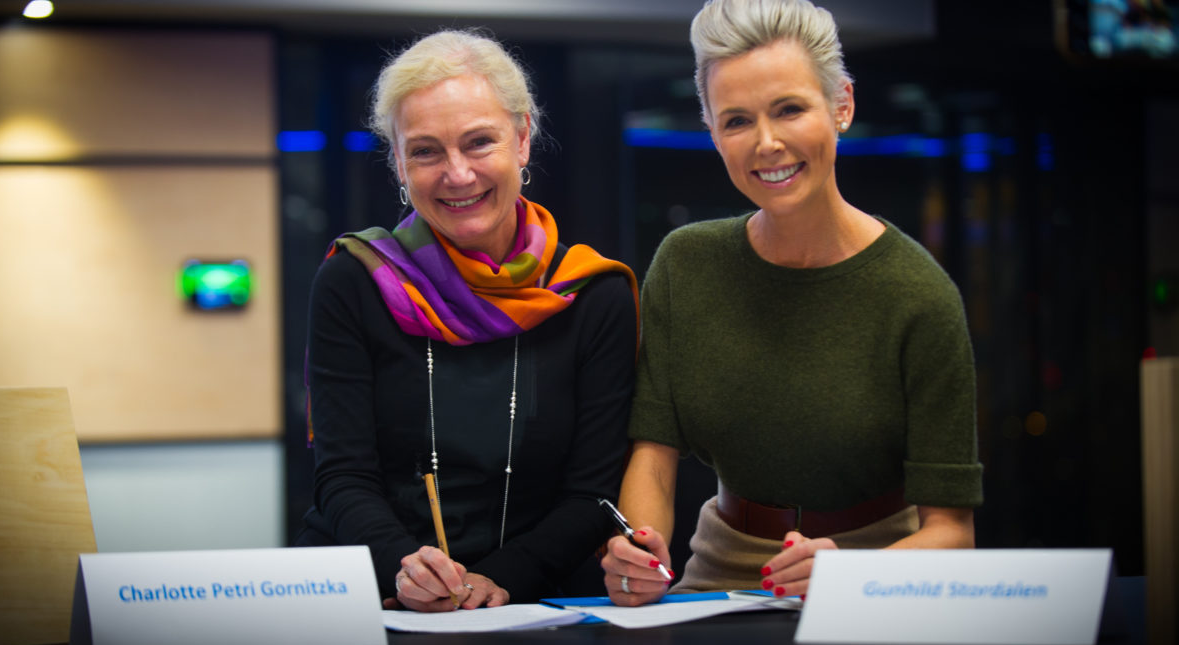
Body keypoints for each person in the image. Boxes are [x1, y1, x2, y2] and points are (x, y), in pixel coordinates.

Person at [601, 0, 983, 606]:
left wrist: (855, 575)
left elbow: (952, 534)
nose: (767, 143)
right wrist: (640, 551)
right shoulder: (685, 264)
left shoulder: (920, 295)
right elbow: (653, 453)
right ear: (712, 133)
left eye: (789, 109)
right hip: (716, 577)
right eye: (736, 121)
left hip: (877, 582)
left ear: (842, 107)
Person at [295, 29, 638, 612]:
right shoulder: (354, 279)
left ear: (523, 139)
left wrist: (502, 579)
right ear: (399, 162)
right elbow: (342, 477)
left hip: (538, 601)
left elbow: (592, 492)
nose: (457, 175)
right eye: (426, 151)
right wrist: (405, 568)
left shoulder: (594, 293)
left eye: (479, 142)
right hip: (373, 593)